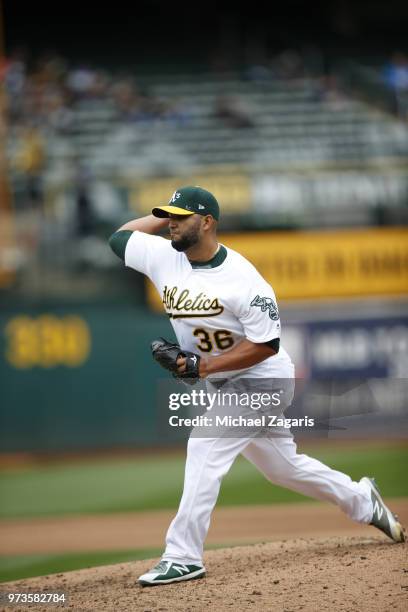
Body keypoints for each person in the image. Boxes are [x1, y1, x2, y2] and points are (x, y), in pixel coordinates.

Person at [108, 186, 405, 586]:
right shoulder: (163, 255)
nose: (172, 224)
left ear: (208, 222)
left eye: (181, 216)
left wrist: (205, 365)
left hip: (263, 380)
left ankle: (183, 555)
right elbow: (119, 237)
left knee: (205, 444)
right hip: (220, 382)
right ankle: (362, 500)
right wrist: (166, 213)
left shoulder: (244, 279)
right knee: (283, 469)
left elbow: (266, 345)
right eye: (169, 217)